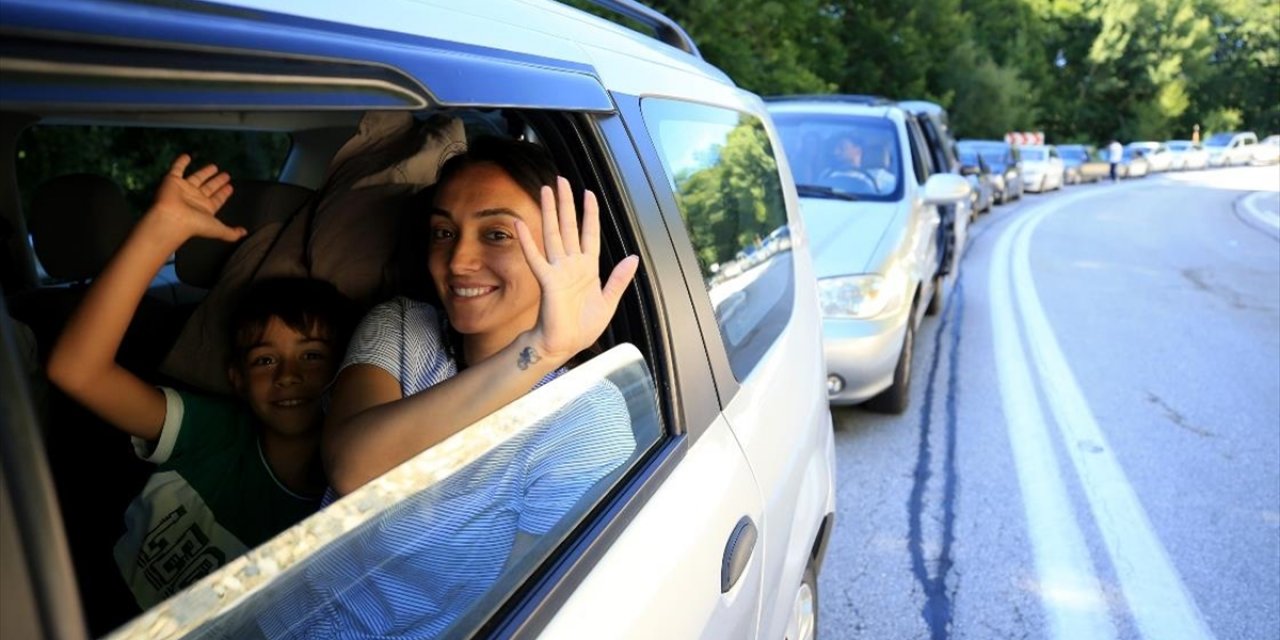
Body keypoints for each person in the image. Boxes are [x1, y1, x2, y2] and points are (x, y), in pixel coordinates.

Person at [253, 136, 641, 638]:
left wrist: (546, 350)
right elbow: (355, 464)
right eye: (443, 232)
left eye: (497, 234)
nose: (457, 260)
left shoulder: (584, 416)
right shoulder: (402, 326)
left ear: (560, 249)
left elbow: (525, 613)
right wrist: (536, 351)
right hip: (275, 619)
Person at [47, 155, 356, 610]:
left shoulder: (342, 505)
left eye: (312, 356)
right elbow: (76, 371)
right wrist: (159, 231)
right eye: (265, 359)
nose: (289, 375)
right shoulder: (211, 430)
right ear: (237, 378)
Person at [825, 132, 895, 193]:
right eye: (834, 148)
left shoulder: (878, 176)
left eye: (842, 147)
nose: (835, 152)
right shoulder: (828, 173)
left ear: (858, 150)